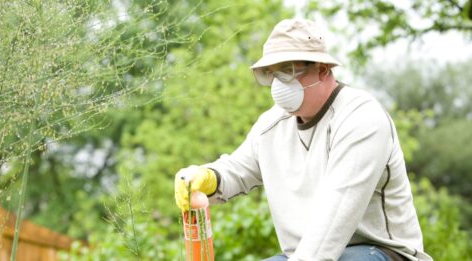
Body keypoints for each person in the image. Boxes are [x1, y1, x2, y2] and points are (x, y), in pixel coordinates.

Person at [174, 18, 432, 261]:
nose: (278, 84)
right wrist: (208, 177)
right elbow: (238, 170)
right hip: (302, 254)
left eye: (288, 71)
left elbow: (335, 218)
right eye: (271, 74)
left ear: (322, 69)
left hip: (380, 253)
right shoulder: (272, 124)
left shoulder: (361, 118)